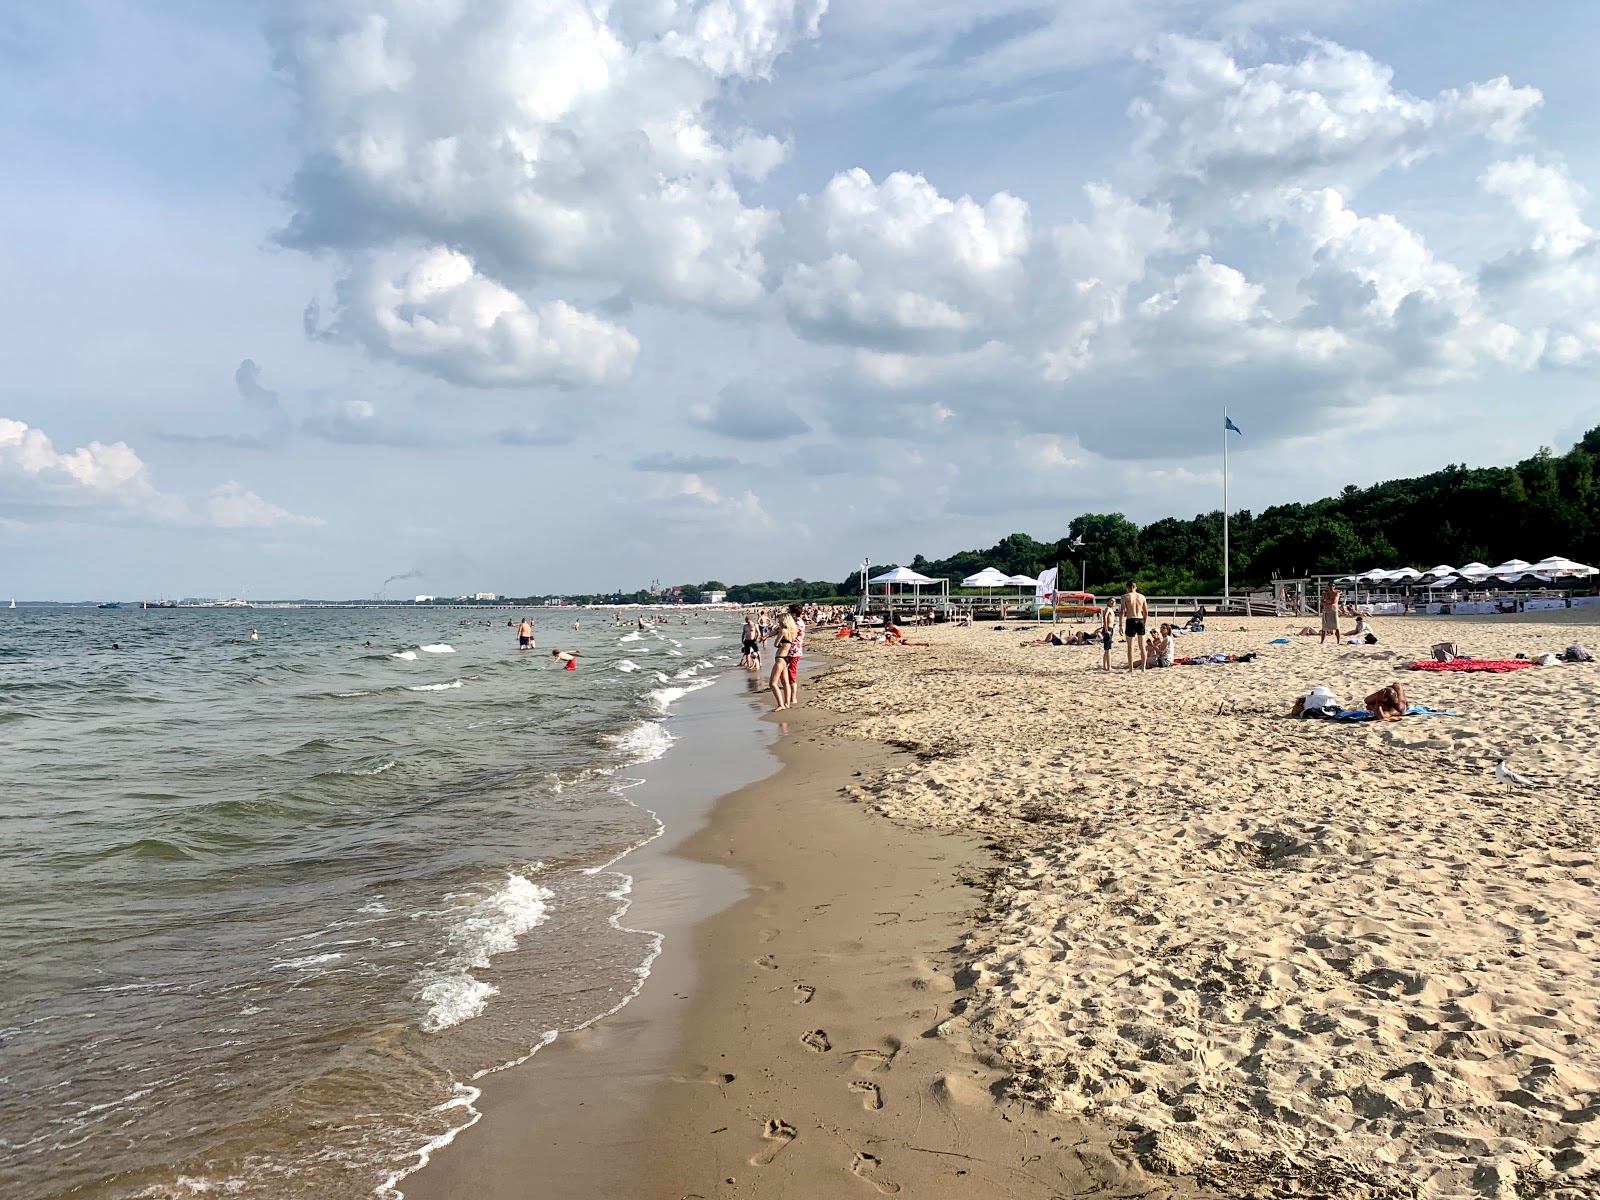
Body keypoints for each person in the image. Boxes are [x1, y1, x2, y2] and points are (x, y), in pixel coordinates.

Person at [767, 605, 799, 711]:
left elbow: (776, 644)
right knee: (785, 683)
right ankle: (786, 703)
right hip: (786, 659)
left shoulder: (783, 631)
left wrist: (778, 643)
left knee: (772, 683)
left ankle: (781, 704)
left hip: (780, 658)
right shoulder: (792, 631)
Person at [1122, 582, 1149, 672]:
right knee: (1142, 647)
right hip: (1140, 619)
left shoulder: (1125, 597)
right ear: (1135, 587)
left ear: (1128, 588)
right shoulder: (1142, 597)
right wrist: (1144, 622)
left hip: (1131, 619)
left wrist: (1120, 624)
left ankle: (1131, 669)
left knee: (1130, 647)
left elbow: (1122, 611)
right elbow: (1146, 612)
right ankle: (1143, 668)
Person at [785, 603, 805, 705]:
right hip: (791, 650)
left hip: (794, 651)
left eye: (789, 612)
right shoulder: (796, 622)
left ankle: (793, 697)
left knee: (791, 674)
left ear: (793, 613)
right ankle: (789, 695)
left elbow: (792, 635)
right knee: (788, 672)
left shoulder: (798, 624)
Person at [1100, 602, 1116, 673]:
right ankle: (1109, 667)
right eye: (1111, 601)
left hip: (1110, 628)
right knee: (1108, 648)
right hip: (1108, 628)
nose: (1113, 602)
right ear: (1108, 602)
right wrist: (1106, 629)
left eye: (1114, 601)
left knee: (1107, 648)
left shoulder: (1111, 610)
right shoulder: (1108, 609)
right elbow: (1105, 617)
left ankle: (1105, 666)